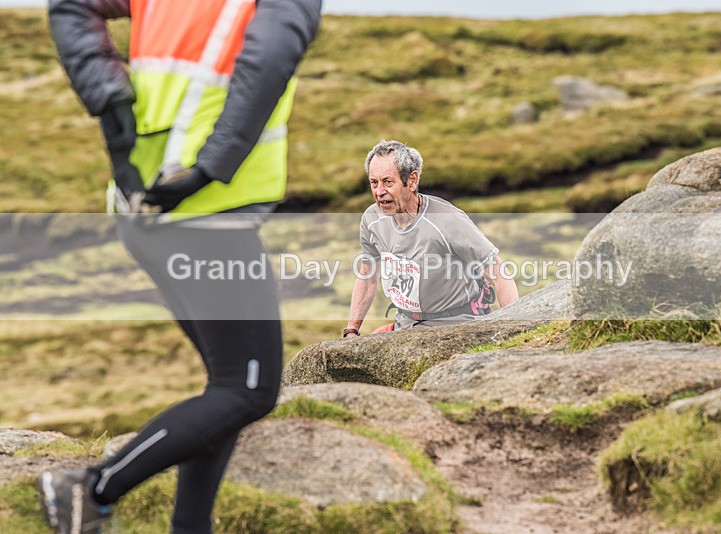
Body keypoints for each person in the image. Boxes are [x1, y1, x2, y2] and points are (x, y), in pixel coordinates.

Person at [40, 1, 321, 533]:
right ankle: (92, 489)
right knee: (247, 390)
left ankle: (190, 527)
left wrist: (109, 102)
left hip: (145, 207)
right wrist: (212, 166)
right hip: (202, 214)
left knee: (228, 387)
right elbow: (266, 61)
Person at [343, 140, 519, 338]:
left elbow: (499, 274)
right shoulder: (371, 219)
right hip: (406, 324)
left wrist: (512, 332)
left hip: (458, 324)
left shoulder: (447, 219)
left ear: (412, 181)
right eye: (374, 183)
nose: (379, 191)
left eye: (387, 182)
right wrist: (351, 330)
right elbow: (368, 277)